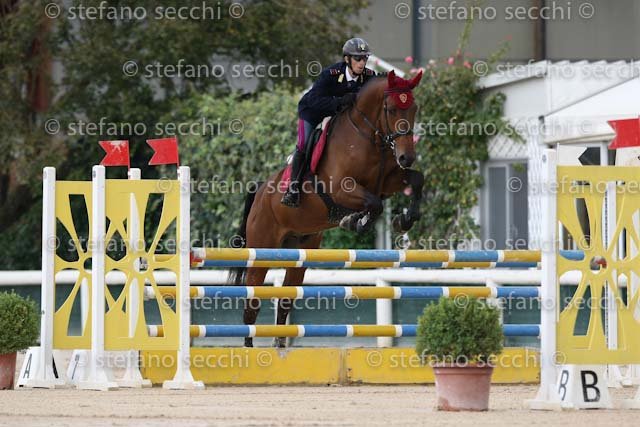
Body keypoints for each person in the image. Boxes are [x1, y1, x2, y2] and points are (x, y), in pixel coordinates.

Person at [281, 37, 377, 208]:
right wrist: (339, 101)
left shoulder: (369, 77)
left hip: (338, 115)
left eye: (364, 58)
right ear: (347, 59)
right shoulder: (330, 74)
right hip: (312, 112)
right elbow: (314, 99)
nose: (362, 63)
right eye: (357, 58)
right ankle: (293, 189)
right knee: (304, 144)